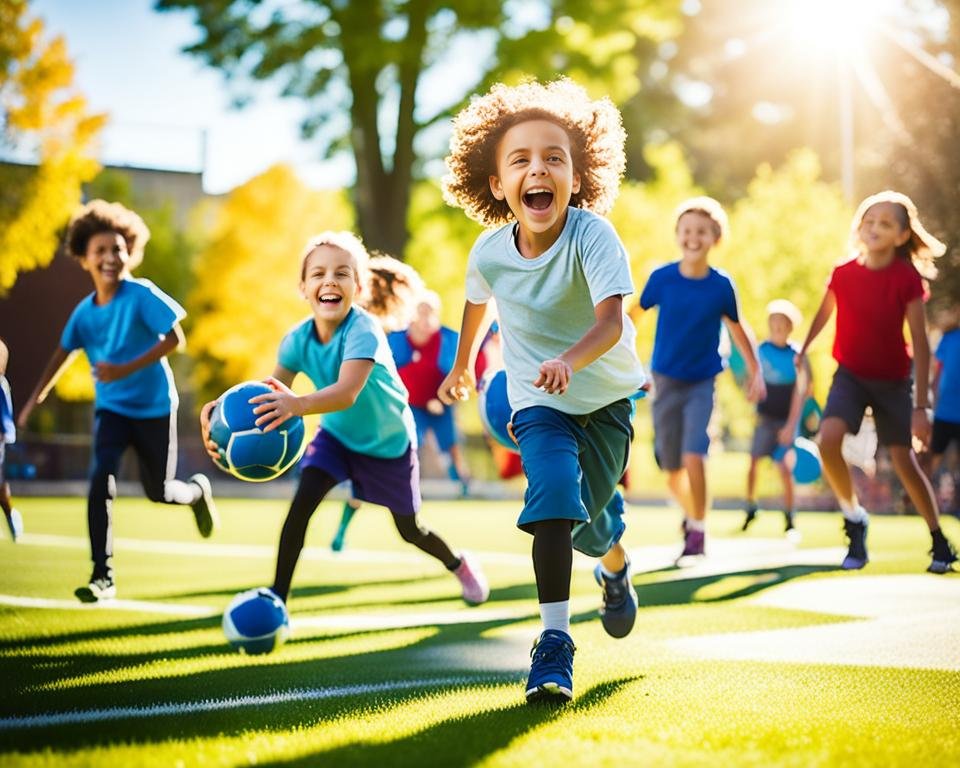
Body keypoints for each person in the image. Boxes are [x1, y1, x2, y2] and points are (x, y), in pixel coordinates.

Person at [439, 79, 646, 704]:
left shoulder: (594, 237)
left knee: (590, 523)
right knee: (555, 496)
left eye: (554, 157)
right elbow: (475, 303)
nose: (539, 169)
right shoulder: (490, 250)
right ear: (498, 184)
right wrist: (463, 365)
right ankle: (554, 644)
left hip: (605, 399)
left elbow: (609, 322)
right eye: (521, 159)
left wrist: (569, 359)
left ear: (578, 176)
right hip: (538, 400)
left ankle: (613, 559)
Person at [200, 232, 489, 610]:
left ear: (358, 286)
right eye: (318, 274)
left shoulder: (362, 329)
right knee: (300, 509)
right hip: (337, 438)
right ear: (303, 288)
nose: (329, 280)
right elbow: (269, 397)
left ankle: (458, 564)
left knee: (410, 530)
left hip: (389, 444)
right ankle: (277, 598)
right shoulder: (295, 341)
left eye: (341, 273)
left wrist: (296, 405)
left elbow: (346, 392)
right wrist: (219, 419)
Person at [18, 200, 217, 602]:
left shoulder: (140, 294)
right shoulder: (84, 314)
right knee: (99, 481)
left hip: (154, 408)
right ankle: (102, 575)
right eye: (100, 251)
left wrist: (124, 368)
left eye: (118, 249)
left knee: (158, 491)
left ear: (129, 251)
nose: (111, 257)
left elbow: (176, 339)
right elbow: (62, 353)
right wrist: (33, 401)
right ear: (85, 259)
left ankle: (196, 492)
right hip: (111, 409)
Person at [797, 190, 957, 573]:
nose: (874, 228)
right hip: (850, 375)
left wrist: (921, 407)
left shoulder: (907, 278)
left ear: (902, 236)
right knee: (829, 439)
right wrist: (802, 350)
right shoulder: (843, 273)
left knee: (904, 461)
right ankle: (854, 517)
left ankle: (938, 540)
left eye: (885, 224)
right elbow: (824, 315)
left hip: (892, 381)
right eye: (869, 221)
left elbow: (919, 342)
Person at [637, 197, 765, 560]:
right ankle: (692, 514)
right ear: (678, 235)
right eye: (687, 231)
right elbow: (629, 317)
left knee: (696, 454)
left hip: (701, 382)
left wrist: (756, 372)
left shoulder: (721, 285)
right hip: (664, 380)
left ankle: (699, 532)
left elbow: (739, 330)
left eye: (702, 232)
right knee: (671, 467)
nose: (693, 238)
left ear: (714, 238)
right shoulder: (662, 278)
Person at [329, 254, 424, 552]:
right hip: (369, 425)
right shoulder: (359, 327)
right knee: (359, 493)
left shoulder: (374, 332)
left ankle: (341, 533)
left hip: (387, 428)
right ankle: (341, 533)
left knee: (407, 525)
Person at [389, 290, 472, 494]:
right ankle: (408, 484)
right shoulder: (397, 339)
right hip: (411, 404)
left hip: (441, 402)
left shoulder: (448, 339)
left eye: (430, 311)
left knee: (450, 445)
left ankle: (462, 485)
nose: (425, 317)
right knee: (410, 444)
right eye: (421, 311)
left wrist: (443, 399)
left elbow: (460, 374)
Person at [743, 299, 812, 538]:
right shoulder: (761, 351)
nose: (777, 327)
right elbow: (750, 382)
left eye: (782, 323)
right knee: (753, 463)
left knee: (785, 468)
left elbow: (801, 393)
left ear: (790, 327)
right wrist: (750, 390)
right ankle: (751, 507)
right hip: (765, 418)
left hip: (786, 421)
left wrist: (792, 426)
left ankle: (790, 516)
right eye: (773, 322)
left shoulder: (797, 355)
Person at [930, 305, 960, 486]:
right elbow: (938, 372)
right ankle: (916, 496)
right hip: (945, 411)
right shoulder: (948, 339)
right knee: (934, 455)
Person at [0, 339, 23, 542]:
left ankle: (10, 516)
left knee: (0, 489)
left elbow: (5, 416)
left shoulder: (1, 385)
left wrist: (5, 434)